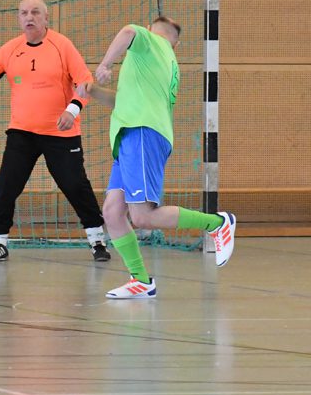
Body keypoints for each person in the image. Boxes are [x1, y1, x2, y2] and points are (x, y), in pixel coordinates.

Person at [79, 16, 236, 299]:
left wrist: (104, 65)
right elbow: (122, 101)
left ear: (152, 31)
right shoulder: (160, 62)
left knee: (142, 216)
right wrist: (94, 91)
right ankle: (141, 280)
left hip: (141, 134)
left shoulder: (151, 42)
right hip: (130, 135)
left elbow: (127, 30)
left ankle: (217, 223)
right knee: (112, 212)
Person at [0, 0, 109, 262]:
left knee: (74, 185)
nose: (29, 17)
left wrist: (72, 111)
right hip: (22, 132)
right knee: (6, 184)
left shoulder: (62, 45)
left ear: (46, 18)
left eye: (35, 12)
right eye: (24, 13)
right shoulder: (10, 49)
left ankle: (97, 240)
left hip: (60, 132)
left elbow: (85, 82)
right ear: (19, 19)